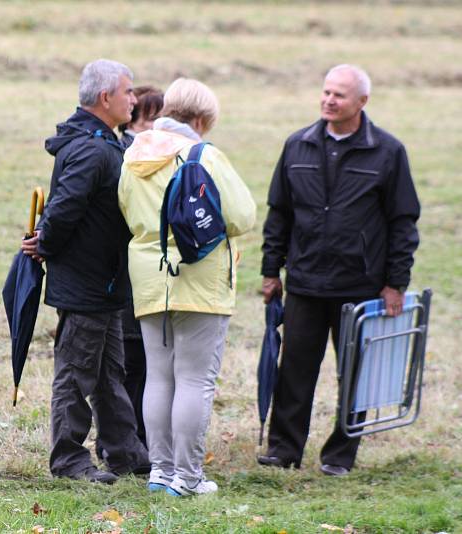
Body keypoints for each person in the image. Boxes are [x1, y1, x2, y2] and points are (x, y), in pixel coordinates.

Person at [258, 64, 420, 476]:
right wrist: (271, 269)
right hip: (307, 282)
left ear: (362, 102)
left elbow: (403, 222)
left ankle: (339, 456)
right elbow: (279, 212)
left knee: (355, 375)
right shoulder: (297, 146)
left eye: (340, 95)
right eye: (326, 92)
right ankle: (283, 451)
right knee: (294, 370)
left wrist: (395, 283)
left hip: (360, 286)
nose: (329, 100)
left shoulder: (388, 152)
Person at [118, 78, 256, 496]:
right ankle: (188, 477)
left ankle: (160, 471)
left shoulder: (132, 154)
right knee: (195, 380)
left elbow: (127, 211)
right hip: (200, 279)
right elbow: (242, 215)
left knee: (159, 378)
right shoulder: (204, 155)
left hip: (148, 278)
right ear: (198, 118)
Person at [21, 59, 149, 484]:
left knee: (111, 371)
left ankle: (125, 452)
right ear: (106, 97)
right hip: (88, 283)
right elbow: (64, 208)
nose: (134, 99)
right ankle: (69, 459)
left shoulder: (103, 142)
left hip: (106, 283)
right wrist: (46, 244)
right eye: (129, 92)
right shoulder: (93, 149)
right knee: (76, 373)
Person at [118, 85, 164, 448]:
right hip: (127, 279)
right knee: (133, 363)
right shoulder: (127, 159)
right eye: (149, 119)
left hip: (150, 277)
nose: (156, 127)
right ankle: (128, 437)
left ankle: (145, 436)